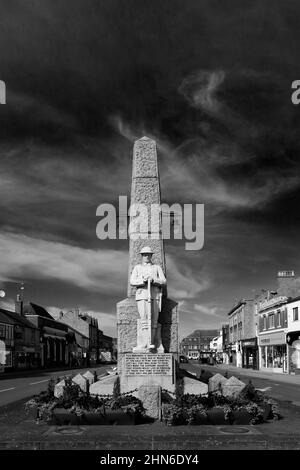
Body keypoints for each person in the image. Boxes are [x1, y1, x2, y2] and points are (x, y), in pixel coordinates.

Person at [130, 246, 166, 351]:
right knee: (144, 320)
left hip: (154, 295)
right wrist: (143, 280)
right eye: (144, 254)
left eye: (148, 254)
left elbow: (163, 281)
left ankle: (153, 342)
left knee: (154, 320)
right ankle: (144, 343)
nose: (146, 256)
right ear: (142, 256)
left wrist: (154, 280)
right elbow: (132, 281)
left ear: (151, 256)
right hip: (142, 295)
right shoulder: (137, 268)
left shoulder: (156, 267)